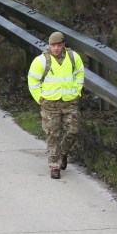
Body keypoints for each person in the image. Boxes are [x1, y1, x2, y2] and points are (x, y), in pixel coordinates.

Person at [27, 31, 85, 179]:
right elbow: (33, 81)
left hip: (69, 101)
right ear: (49, 45)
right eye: (53, 45)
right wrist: (40, 98)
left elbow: (80, 73)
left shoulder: (73, 57)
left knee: (74, 130)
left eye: (59, 45)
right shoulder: (40, 61)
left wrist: (77, 91)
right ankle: (55, 166)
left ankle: (63, 153)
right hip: (50, 104)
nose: (56, 48)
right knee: (53, 134)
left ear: (64, 45)